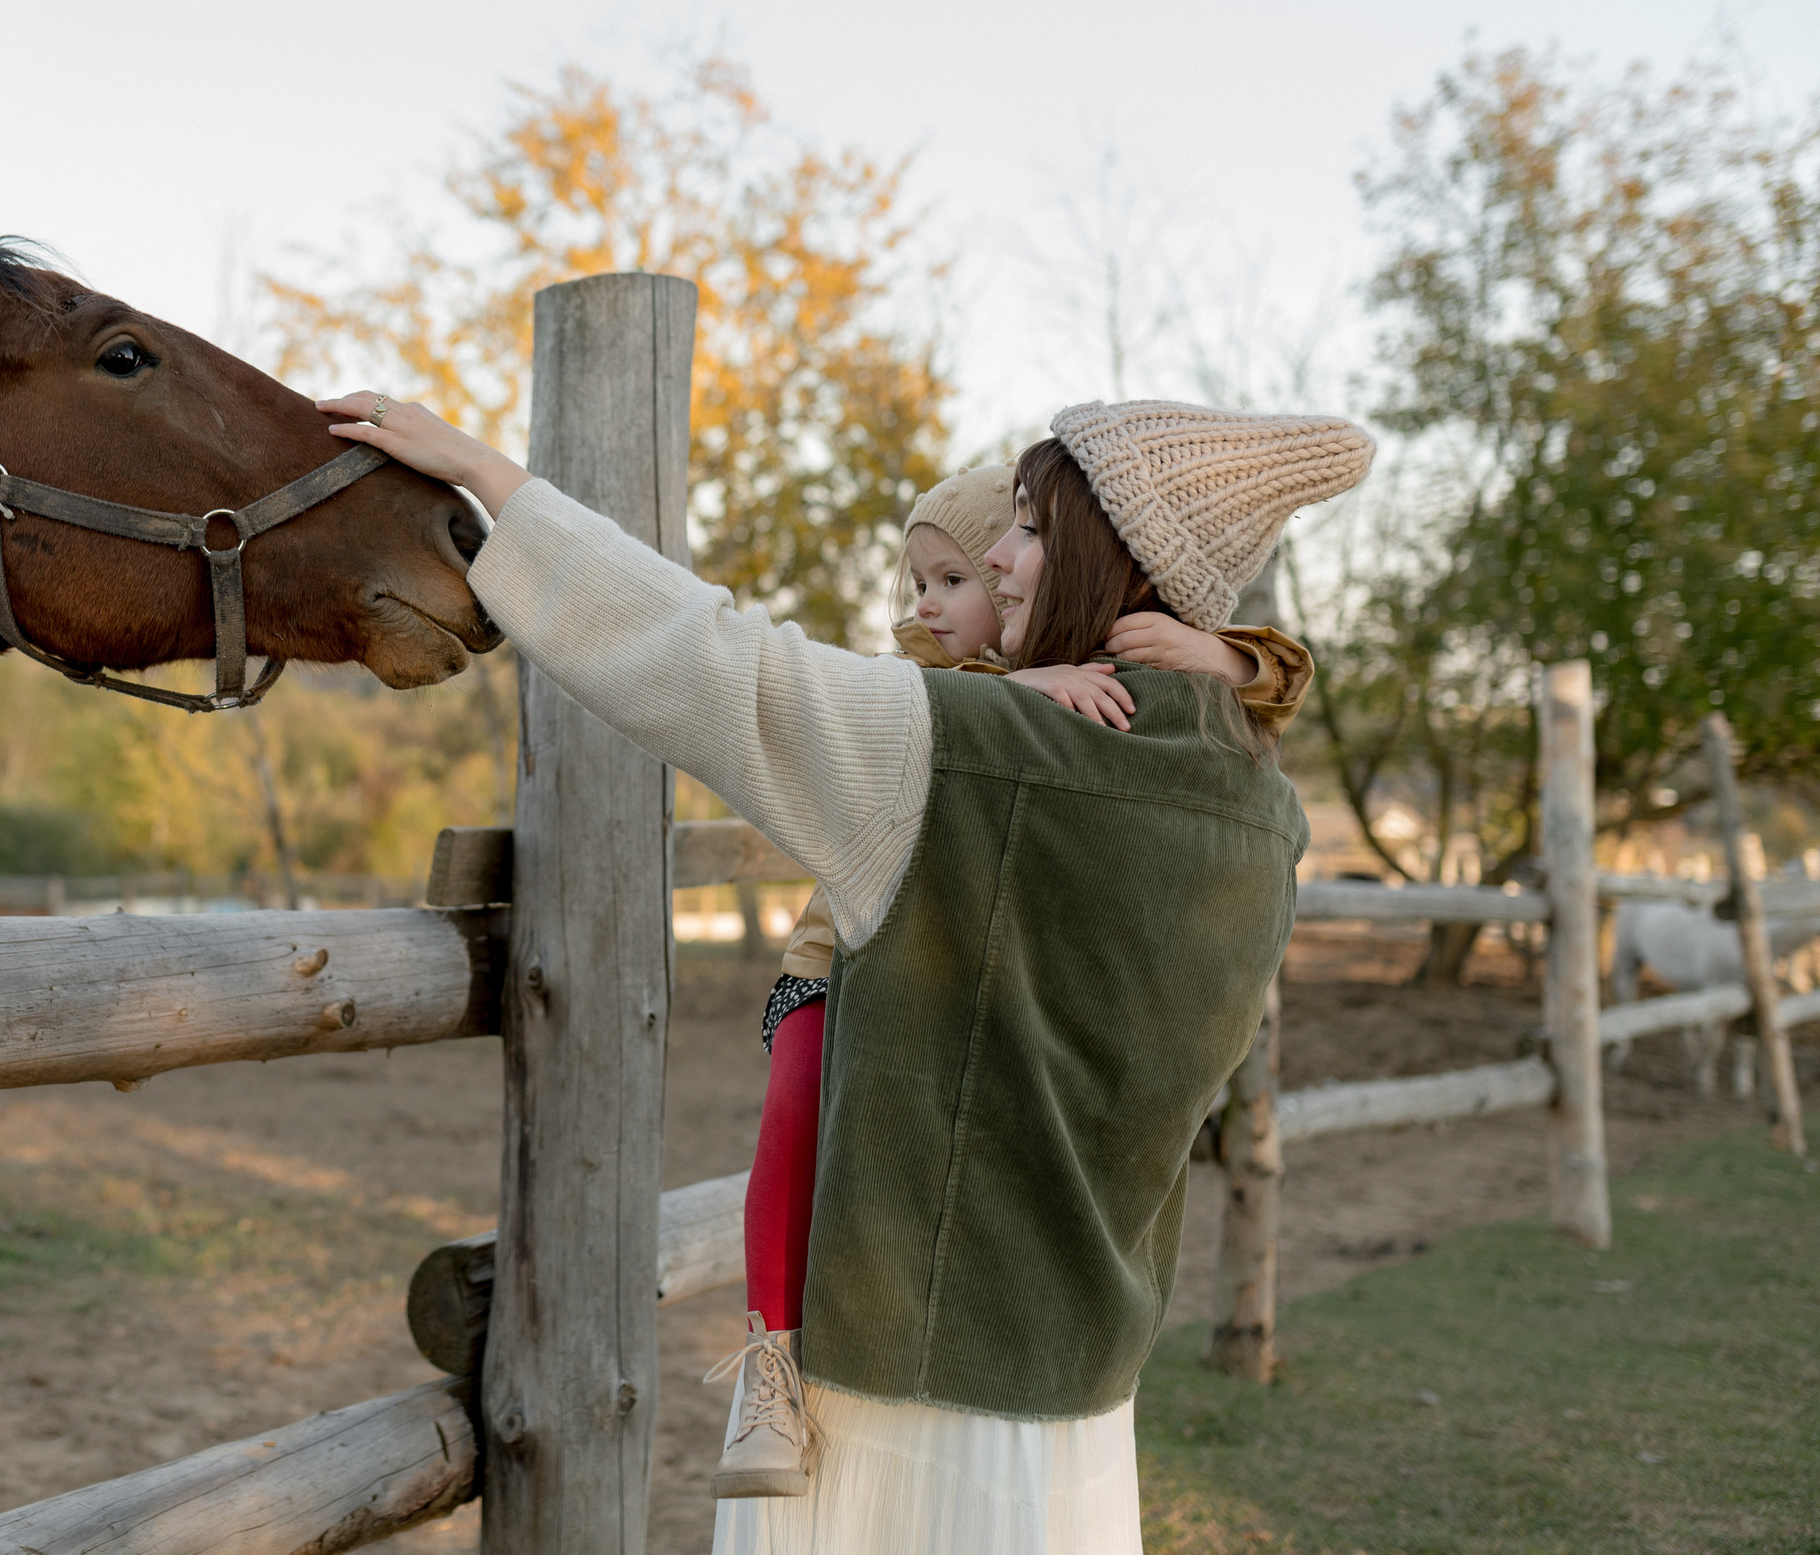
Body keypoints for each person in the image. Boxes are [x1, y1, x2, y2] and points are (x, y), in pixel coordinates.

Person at [321, 390, 1373, 1555]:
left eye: (1029, 527)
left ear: (1108, 553)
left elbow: (706, 656)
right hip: (1082, 1394)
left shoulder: (961, 753)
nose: (1001, 558)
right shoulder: (1265, 820)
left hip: (891, 1403)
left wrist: (484, 473)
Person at [724, 464, 1315, 1500]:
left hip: (951, 988)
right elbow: (883, 703)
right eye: (921, 581)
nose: (932, 602)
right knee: (791, 1125)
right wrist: (1018, 690)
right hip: (828, 967)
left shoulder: (1099, 683)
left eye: (955, 579)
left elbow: (1283, 682)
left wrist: (1219, 654)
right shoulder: (933, 675)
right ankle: (769, 1355)